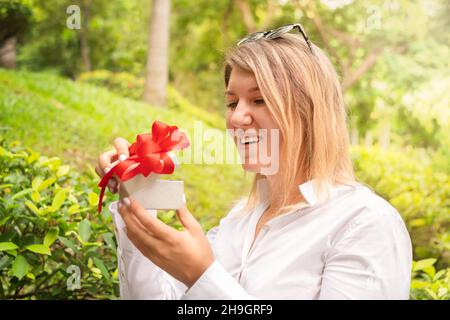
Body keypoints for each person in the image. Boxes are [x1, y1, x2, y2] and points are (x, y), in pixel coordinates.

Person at [96, 23, 412, 299]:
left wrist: (202, 277)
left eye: (259, 100)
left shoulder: (364, 223)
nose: (237, 117)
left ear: (309, 113)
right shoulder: (238, 222)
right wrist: (135, 197)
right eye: (231, 102)